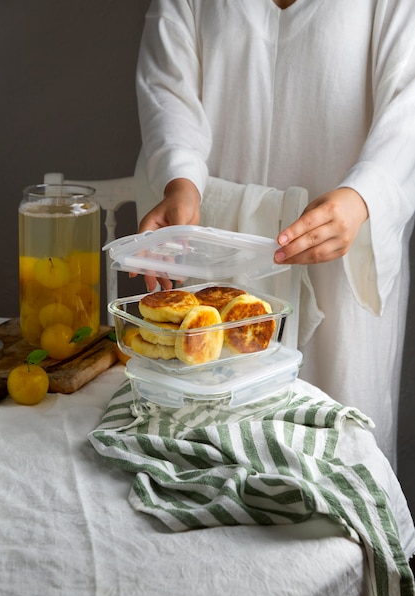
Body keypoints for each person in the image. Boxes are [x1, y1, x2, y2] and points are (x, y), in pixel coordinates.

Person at [134, 0, 415, 468]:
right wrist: (180, 179)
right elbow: (167, 88)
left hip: (339, 257)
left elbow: (410, 98)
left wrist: (364, 195)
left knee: (339, 459)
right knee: (210, 452)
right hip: (220, 257)